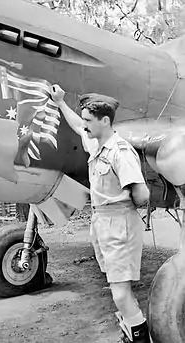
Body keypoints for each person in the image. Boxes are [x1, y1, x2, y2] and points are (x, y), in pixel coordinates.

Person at [50, 84, 151, 343]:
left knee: (119, 293)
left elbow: (142, 195)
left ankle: (140, 336)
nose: (84, 125)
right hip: (101, 221)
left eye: (88, 120)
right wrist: (61, 102)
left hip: (119, 222)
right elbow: (75, 125)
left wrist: (120, 205)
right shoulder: (96, 144)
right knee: (117, 286)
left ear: (105, 121)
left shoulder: (121, 152)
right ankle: (131, 329)